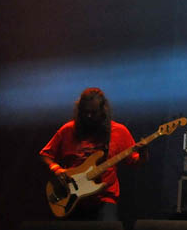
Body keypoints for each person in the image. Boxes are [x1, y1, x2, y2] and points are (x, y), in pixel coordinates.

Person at [40, 87, 142, 221]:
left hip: (104, 199)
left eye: (93, 112)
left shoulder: (119, 131)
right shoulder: (68, 130)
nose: (89, 116)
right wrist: (56, 169)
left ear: (103, 110)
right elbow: (45, 154)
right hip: (70, 198)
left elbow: (135, 162)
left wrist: (144, 154)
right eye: (85, 112)